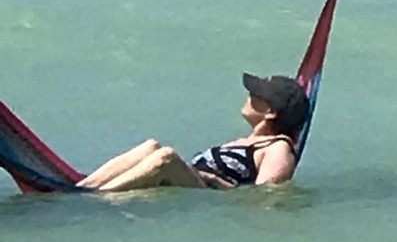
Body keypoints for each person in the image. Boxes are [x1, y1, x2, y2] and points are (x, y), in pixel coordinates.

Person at [77, 74, 309, 192]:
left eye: (256, 94)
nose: (249, 95)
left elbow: (263, 198)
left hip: (207, 194)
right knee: (152, 146)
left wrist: (212, 179)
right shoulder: (248, 141)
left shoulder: (278, 148)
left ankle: (96, 199)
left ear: (270, 112)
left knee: (166, 158)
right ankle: (84, 188)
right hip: (194, 182)